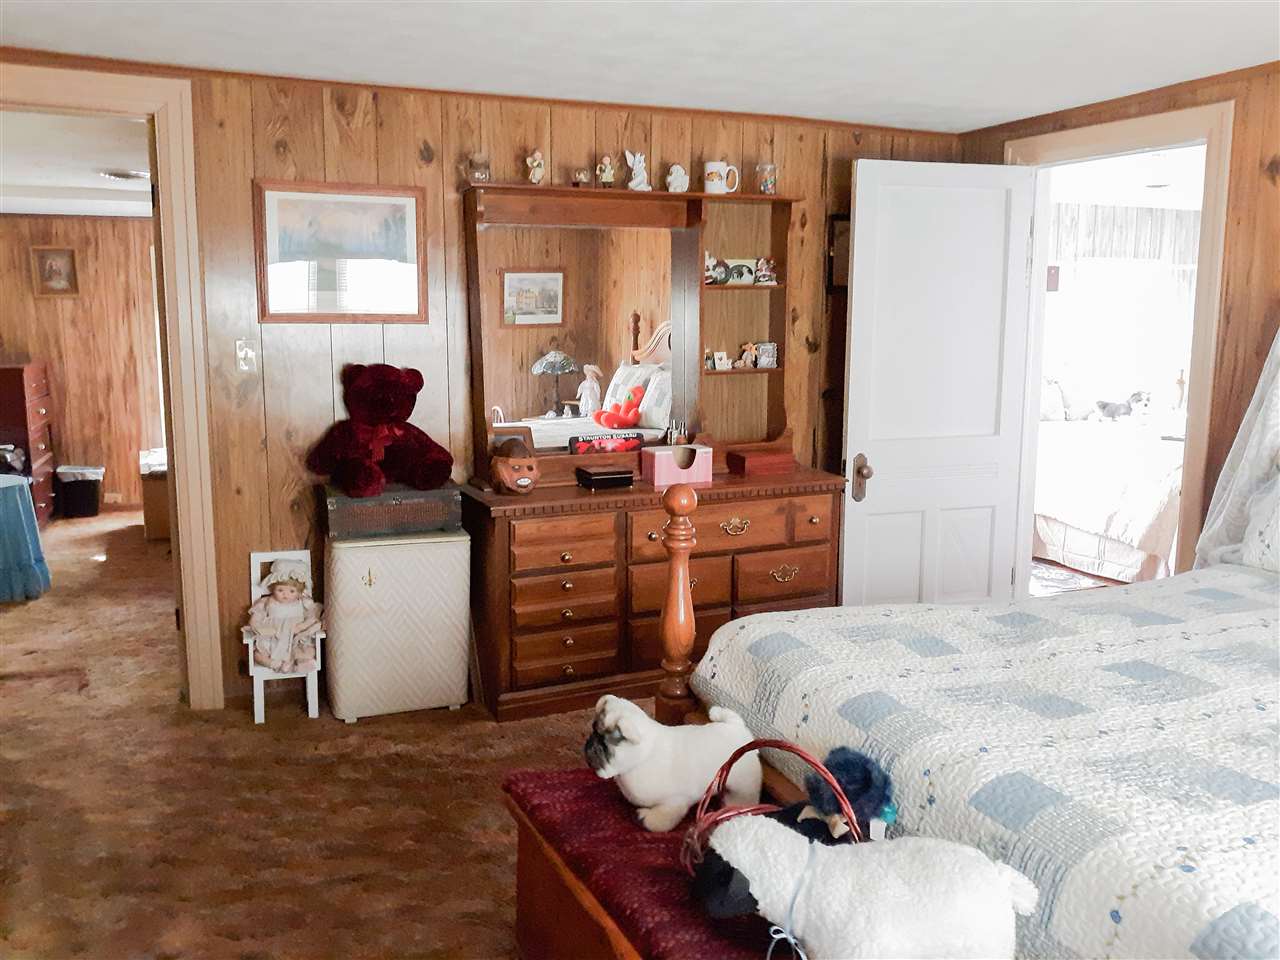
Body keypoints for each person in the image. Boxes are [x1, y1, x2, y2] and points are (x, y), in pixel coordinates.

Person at [247, 559, 322, 673]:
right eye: (280, 590)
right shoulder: (266, 601)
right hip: (274, 637)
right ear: (273, 587)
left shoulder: (303, 602)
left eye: (292, 591)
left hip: (295, 636)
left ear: (299, 591)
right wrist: (261, 628)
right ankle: (274, 663)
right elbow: (256, 618)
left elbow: (312, 616)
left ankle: (299, 663)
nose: (285, 594)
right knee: (257, 654)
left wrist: (301, 627)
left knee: (309, 650)